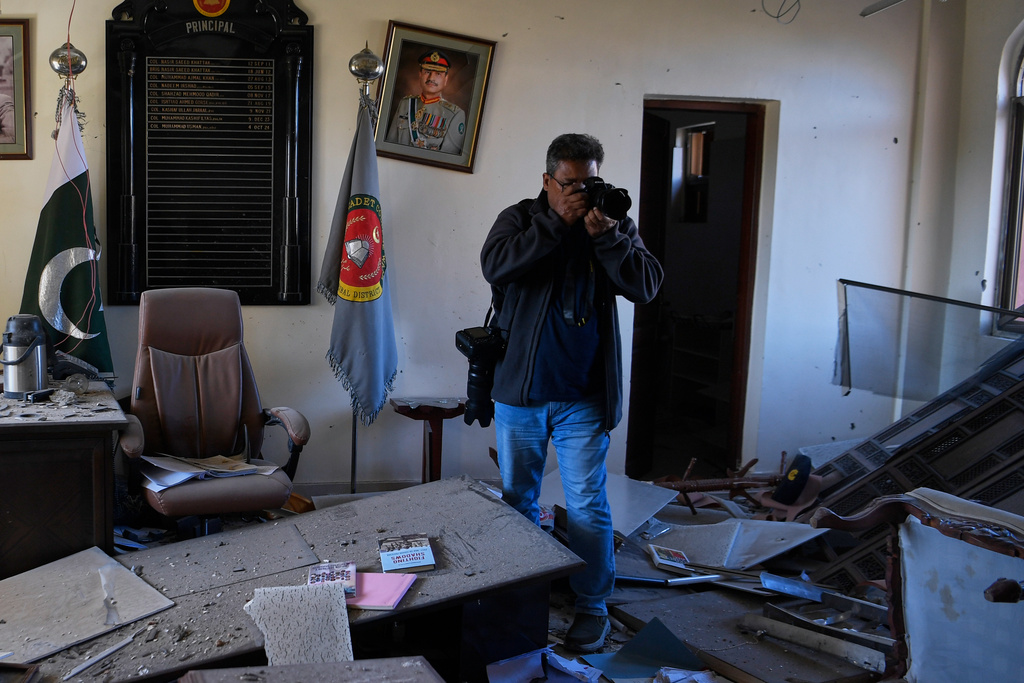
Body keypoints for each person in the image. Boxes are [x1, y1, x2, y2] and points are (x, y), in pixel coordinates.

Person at [480, 133, 664, 652]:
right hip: (521, 393)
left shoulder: (611, 223)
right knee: (518, 500)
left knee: (586, 503)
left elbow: (647, 285)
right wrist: (555, 223)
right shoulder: (520, 218)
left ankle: (591, 606)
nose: (582, 192)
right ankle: (518, 597)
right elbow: (496, 265)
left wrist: (609, 238)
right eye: (571, 184)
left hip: (584, 395)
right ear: (547, 180)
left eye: (590, 182)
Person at [385, 48, 466, 155]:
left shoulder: (455, 114)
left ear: (446, 79)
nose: (431, 78)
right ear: (420, 74)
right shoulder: (405, 103)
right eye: (427, 72)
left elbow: (446, 159)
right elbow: (389, 146)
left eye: (438, 74)